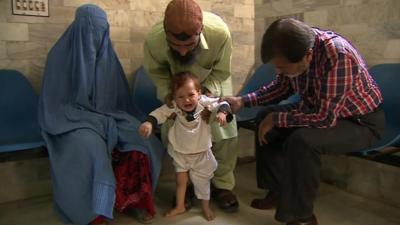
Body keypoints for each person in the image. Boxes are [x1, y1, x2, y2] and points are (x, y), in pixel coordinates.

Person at [223, 18, 385, 225]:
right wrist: (242, 101)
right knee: (265, 115)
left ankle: (302, 216)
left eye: (282, 68)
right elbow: (281, 88)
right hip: (318, 110)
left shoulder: (339, 56)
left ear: (307, 56)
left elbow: (325, 118)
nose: (279, 72)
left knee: (303, 141)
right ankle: (278, 191)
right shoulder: (298, 46)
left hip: (360, 122)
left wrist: (279, 118)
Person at [38, 4, 165, 225]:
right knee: (91, 149)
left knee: (142, 140)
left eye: (100, 31)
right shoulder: (59, 57)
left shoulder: (109, 60)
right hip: (70, 122)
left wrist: (106, 118)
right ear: (77, 29)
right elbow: (54, 104)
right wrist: (90, 119)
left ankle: (131, 202)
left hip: (109, 115)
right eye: (89, 31)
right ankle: (93, 214)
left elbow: (118, 102)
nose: (95, 38)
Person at [143, 0, 239, 212]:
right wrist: (169, 94)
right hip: (176, 85)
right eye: (176, 46)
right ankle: (184, 184)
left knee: (226, 132)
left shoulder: (219, 33)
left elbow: (222, 72)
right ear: (166, 34)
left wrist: (209, 96)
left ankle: (222, 185)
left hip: (212, 81)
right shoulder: (154, 40)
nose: (184, 53)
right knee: (174, 132)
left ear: (201, 31)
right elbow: (156, 72)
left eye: (189, 45)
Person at [139, 72, 234, 221]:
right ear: (174, 98)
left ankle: (205, 207)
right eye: (180, 97)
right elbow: (158, 113)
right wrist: (149, 123)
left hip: (201, 152)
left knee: (203, 183)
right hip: (181, 152)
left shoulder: (203, 102)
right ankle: (180, 205)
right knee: (180, 181)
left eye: (191, 94)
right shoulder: (174, 106)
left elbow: (223, 103)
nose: (186, 100)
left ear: (199, 93)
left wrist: (222, 113)